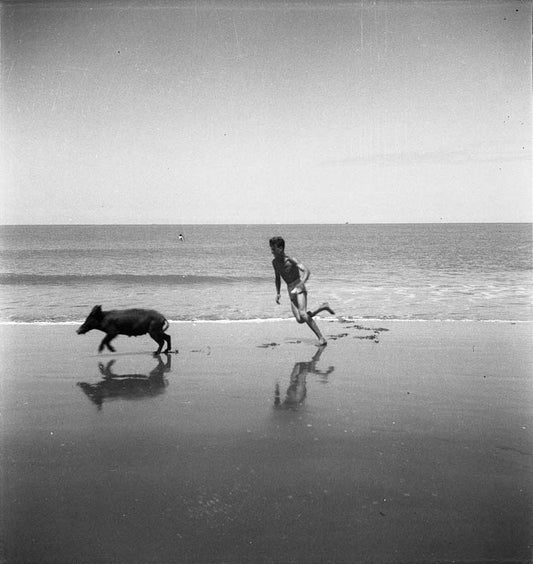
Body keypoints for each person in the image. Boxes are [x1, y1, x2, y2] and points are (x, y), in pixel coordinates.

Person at [269, 236, 334, 346]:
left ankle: (321, 338)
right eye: (271, 249)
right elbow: (277, 278)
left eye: (274, 249)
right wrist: (278, 293)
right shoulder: (274, 262)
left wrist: (301, 284)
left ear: (280, 248)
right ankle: (322, 307)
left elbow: (306, 271)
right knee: (300, 319)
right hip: (290, 290)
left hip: (299, 287)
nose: (272, 251)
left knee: (303, 314)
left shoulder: (291, 260)